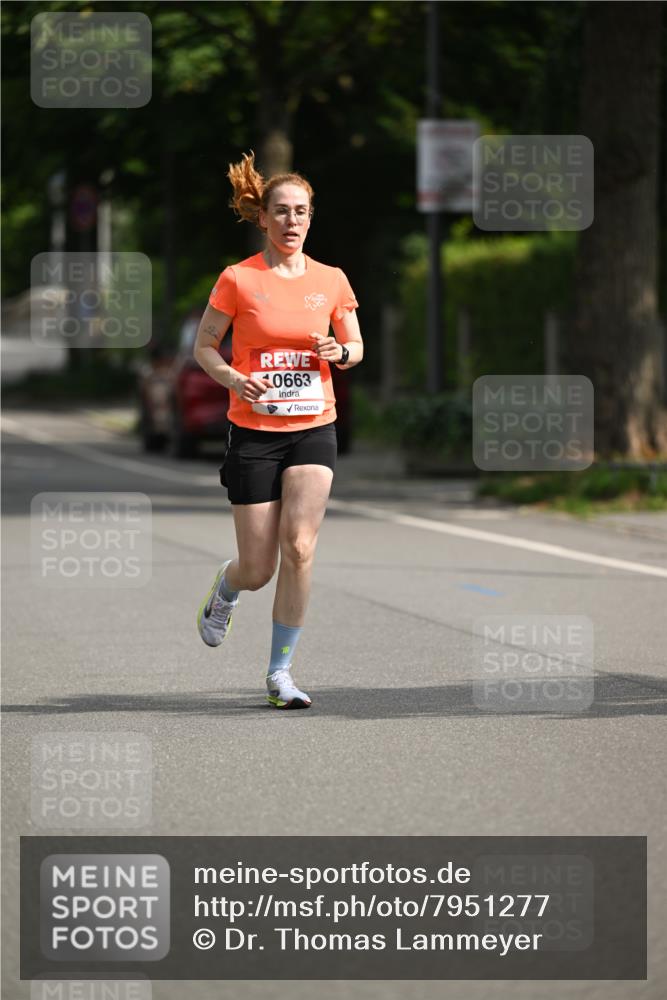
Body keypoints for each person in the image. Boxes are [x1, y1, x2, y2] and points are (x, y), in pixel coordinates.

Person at [193, 151, 363, 709]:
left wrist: (341, 351)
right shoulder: (238, 279)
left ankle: (280, 674)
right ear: (262, 217)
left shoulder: (331, 280)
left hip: (315, 423)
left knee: (301, 546)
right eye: (282, 212)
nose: (293, 222)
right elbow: (204, 348)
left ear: (312, 219)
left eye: (302, 212)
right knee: (260, 566)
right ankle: (228, 585)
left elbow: (355, 346)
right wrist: (233, 378)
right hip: (255, 431)